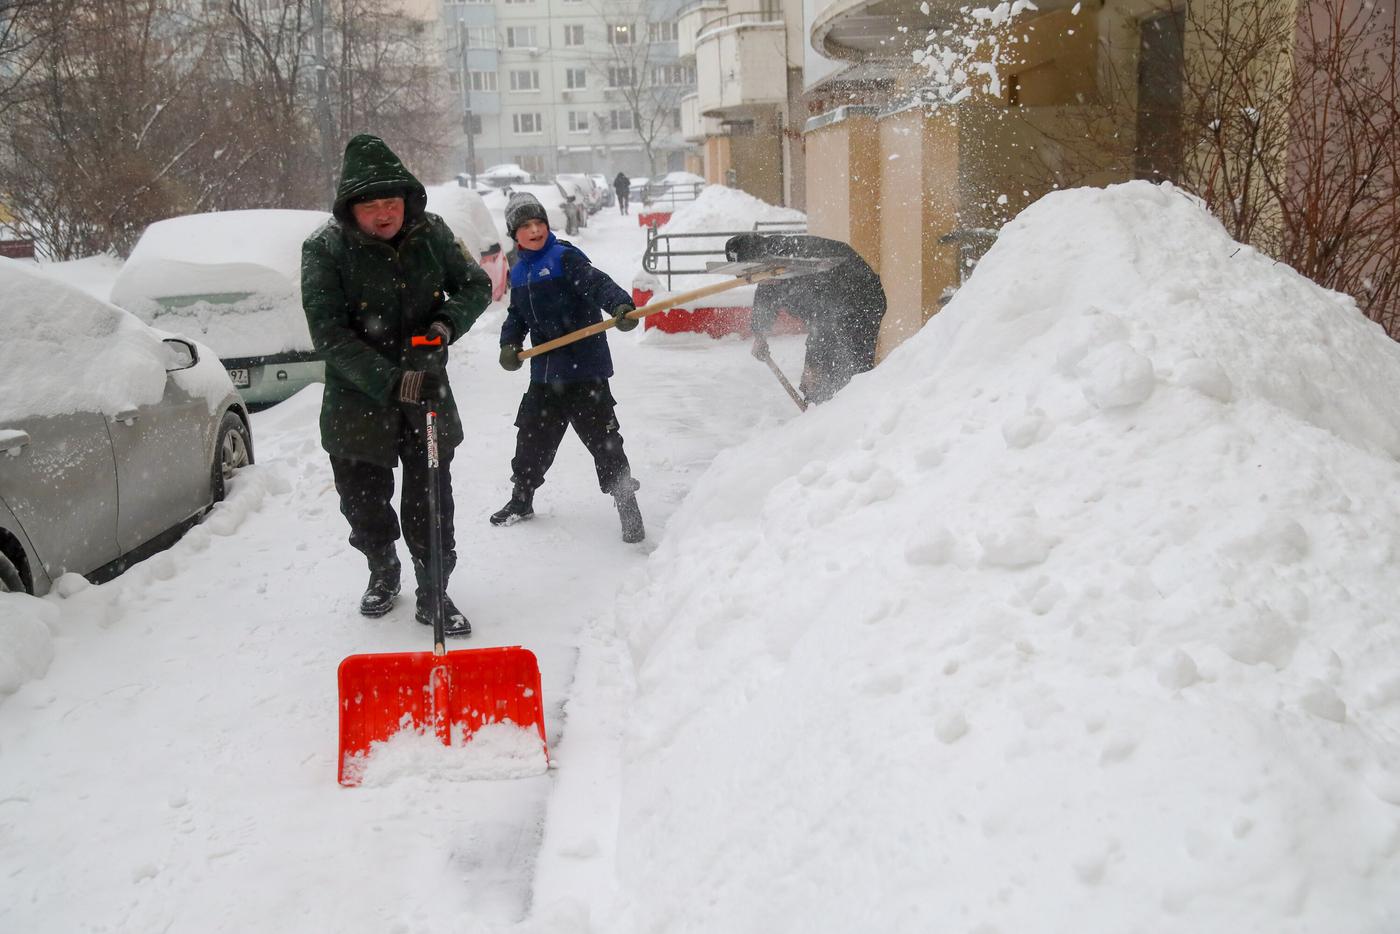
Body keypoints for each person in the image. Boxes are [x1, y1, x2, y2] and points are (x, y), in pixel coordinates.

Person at [302, 133, 492, 637]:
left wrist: (446, 322)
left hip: (426, 392)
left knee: (431, 499)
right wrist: (389, 381)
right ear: (350, 208)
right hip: (356, 398)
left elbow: (476, 284)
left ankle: (434, 589)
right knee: (363, 502)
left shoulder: (431, 233)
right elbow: (329, 334)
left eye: (392, 201)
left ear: (406, 199)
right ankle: (382, 568)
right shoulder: (324, 249)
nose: (384, 213)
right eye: (371, 204)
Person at [492, 192, 646, 543]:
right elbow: (517, 315)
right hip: (545, 375)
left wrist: (620, 305)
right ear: (514, 234)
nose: (534, 230)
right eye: (525, 226)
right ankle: (522, 499)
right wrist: (509, 344)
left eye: (539, 223)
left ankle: (627, 506)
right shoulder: (519, 272)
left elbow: (598, 284)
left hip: (584, 370)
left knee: (605, 441)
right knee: (531, 438)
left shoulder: (565, 259)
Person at [723, 232, 887, 404]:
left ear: (760, 261)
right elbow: (766, 294)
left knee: (847, 371)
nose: (752, 279)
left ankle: (855, 414)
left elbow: (824, 317)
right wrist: (760, 334)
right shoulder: (771, 267)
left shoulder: (796, 262)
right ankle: (824, 410)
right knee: (820, 380)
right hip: (837, 306)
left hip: (860, 300)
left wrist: (813, 364)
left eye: (750, 273)